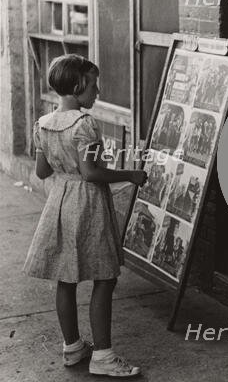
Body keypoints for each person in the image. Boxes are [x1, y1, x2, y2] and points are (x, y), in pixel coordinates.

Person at [23, 55, 147, 377]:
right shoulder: (84, 124)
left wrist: (62, 161)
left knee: (65, 278)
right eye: (93, 85)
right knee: (105, 277)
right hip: (87, 204)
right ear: (78, 86)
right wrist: (129, 175)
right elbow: (91, 173)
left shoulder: (43, 123)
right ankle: (103, 357)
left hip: (59, 202)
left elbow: (41, 171)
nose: (98, 91)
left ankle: (72, 347)